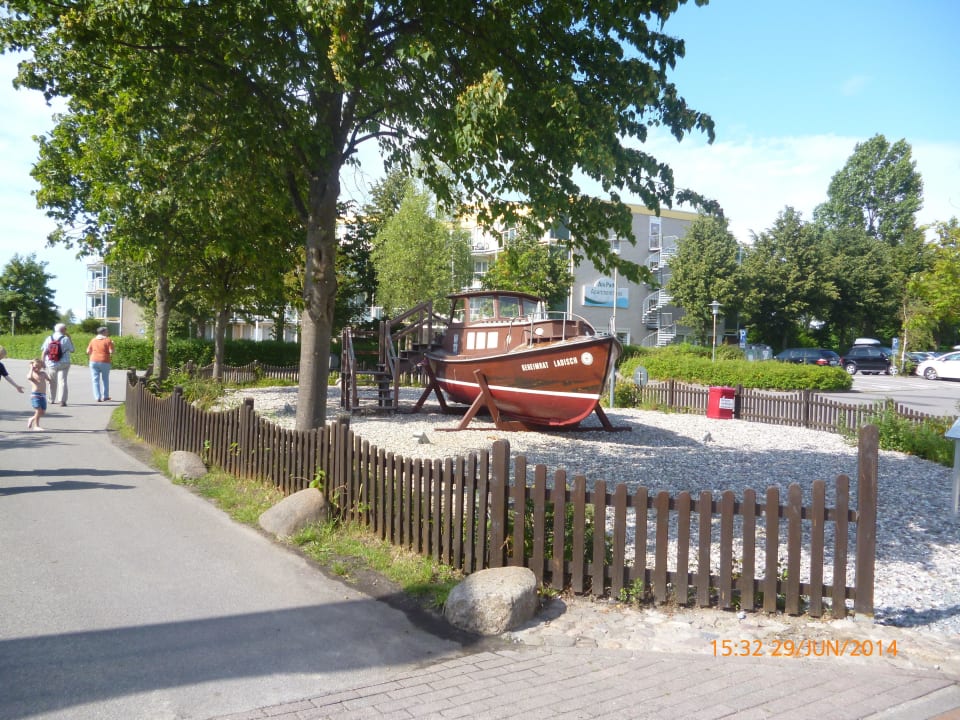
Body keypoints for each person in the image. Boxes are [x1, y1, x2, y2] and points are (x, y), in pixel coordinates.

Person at [41, 322, 76, 407]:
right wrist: (70, 338)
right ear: (63, 330)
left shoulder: (49, 338)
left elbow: (44, 351)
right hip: (64, 363)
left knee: (52, 381)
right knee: (62, 381)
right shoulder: (65, 339)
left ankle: (51, 399)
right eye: (65, 329)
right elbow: (72, 350)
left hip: (51, 362)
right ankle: (62, 401)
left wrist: (43, 362)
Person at [86, 326, 115, 402]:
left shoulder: (93, 340)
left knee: (95, 380)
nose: (108, 332)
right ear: (103, 332)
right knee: (105, 379)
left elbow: (88, 351)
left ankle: (97, 397)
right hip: (105, 361)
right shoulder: (108, 340)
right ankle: (105, 396)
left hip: (93, 361)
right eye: (107, 331)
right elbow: (111, 352)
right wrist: (113, 345)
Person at [26, 358, 49, 430]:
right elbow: (29, 377)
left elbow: (49, 379)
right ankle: (36, 426)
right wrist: (31, 369)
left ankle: (31, 419)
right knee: (38, 411)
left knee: (42, 412)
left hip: (43, 395)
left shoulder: (43, 374)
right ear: (32, 366)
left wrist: (50, 381)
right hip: (35, 395)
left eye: (39, 367)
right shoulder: (32, 374)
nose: (37, 368)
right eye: (35, 366)